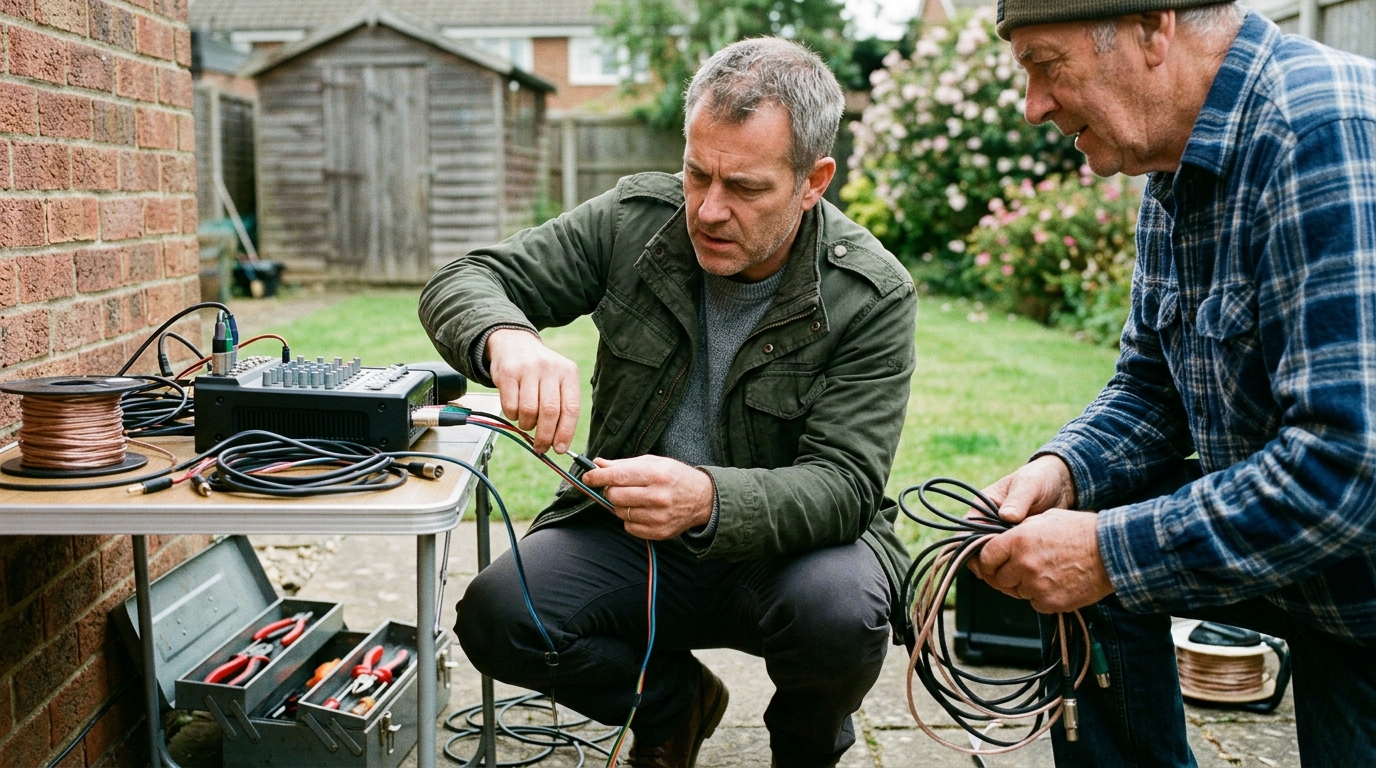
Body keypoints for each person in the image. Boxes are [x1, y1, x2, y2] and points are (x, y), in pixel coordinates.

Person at [419, 37, 917, 768]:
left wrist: (709, 498)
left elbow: (843, 486)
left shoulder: (870, 294)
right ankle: (674, 705)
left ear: (814, 181)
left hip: (789, 554)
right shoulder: (632, 221)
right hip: (629, 538)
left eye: (745, 188)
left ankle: (806, 745)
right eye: (696, 173)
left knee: (840, 614)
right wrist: (505, 337)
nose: (709, 210)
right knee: (500, 617)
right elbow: (465, 278)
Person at [971, 0, 1376, 764]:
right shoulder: (1175, 163)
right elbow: (1151, 389)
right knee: (1083, 522)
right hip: (1313, 567)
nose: (1033, 108)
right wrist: (1061, 471)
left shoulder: (1318, 133)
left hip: (1360, 585)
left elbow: (1348, 468)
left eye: (1045, 67)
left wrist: (1105, 554)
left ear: (1152, 30)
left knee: (1099, 553)